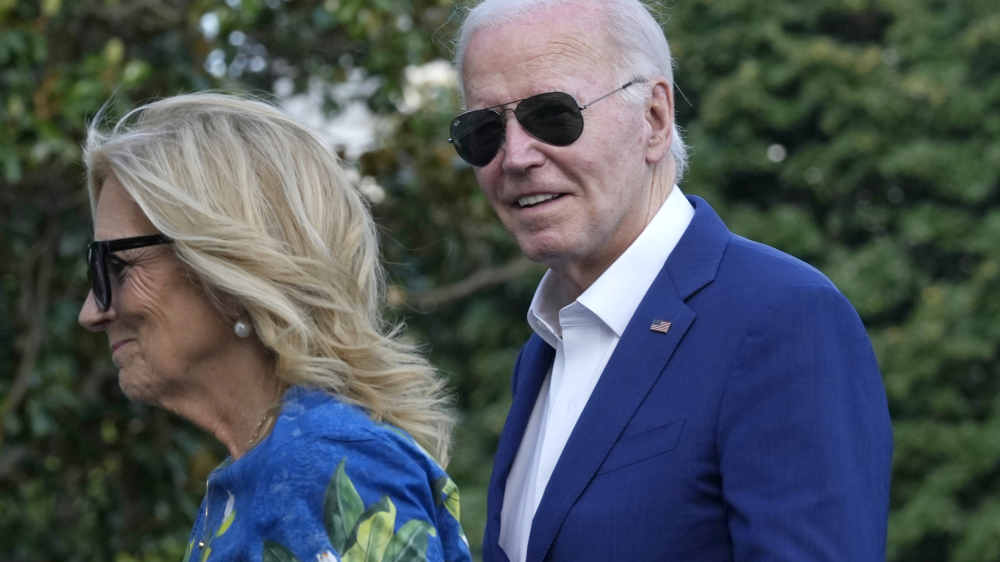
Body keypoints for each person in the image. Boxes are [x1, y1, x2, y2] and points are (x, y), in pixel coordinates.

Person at [449, 0, 893, 560]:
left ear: (654, 119)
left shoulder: (782, 319)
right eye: (483, 130)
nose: (514, 156)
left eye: (552, 114)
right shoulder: (543, 348)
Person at [78, 93, 471, 562]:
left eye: (119, 266)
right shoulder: (265, 469)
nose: (91, 312)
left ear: (231, 269)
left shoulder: (328, 465)